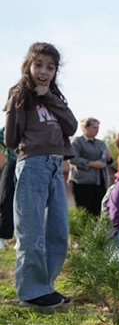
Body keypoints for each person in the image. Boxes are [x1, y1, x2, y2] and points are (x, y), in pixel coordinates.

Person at [4, 42, 77, 309]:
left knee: (58, 231)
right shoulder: (20, 95)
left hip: (56, 166)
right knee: (31, 231)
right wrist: (16, 104)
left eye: (50, 67)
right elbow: (12, 138)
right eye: (38, 65)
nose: (43, 72)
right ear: (28, 65)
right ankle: (31, 293)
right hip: (33, 163)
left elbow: (71, 125)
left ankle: (45, 287)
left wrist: (47, 97)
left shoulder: (54, 98)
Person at [68, 117, 111, 217]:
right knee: (84, 214)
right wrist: (91, 164)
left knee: (97, 213)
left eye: (98, 127)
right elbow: (72, 158)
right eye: (94, 127)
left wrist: (109, 158)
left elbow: (106, 161)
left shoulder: (101, 143)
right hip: (83, 183)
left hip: (100, 183)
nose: (97, 130)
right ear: (85, 128)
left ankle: (95, 233)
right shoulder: (78, 142)